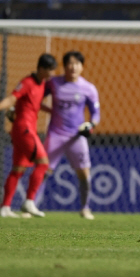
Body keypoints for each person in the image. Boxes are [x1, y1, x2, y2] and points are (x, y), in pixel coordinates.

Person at [0, 53, 57, 218]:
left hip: (27, 130)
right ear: (41, 68)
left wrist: (51, 111)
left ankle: (5, 208)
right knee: (43, 163)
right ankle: (29, 201)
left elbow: (34, 103)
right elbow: (12, 99)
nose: (52, 74)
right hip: (24, 129)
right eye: (49, 70)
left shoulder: (42, 84)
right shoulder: (27, 82)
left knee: (18, 169)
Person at [43, 51, 100, 220]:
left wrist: (90, 125)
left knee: (84, 174)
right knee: (43, 170)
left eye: (77, 63)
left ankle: (85, 208)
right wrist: (48, 110)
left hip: (76, 136)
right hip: (56, 134)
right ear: (64, 66)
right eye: (70, 63)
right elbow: (37, 97)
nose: (73, 67)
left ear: (82, 67)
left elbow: (96, 114)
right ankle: (29, 206)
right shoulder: (54, 83)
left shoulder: (88, 88)